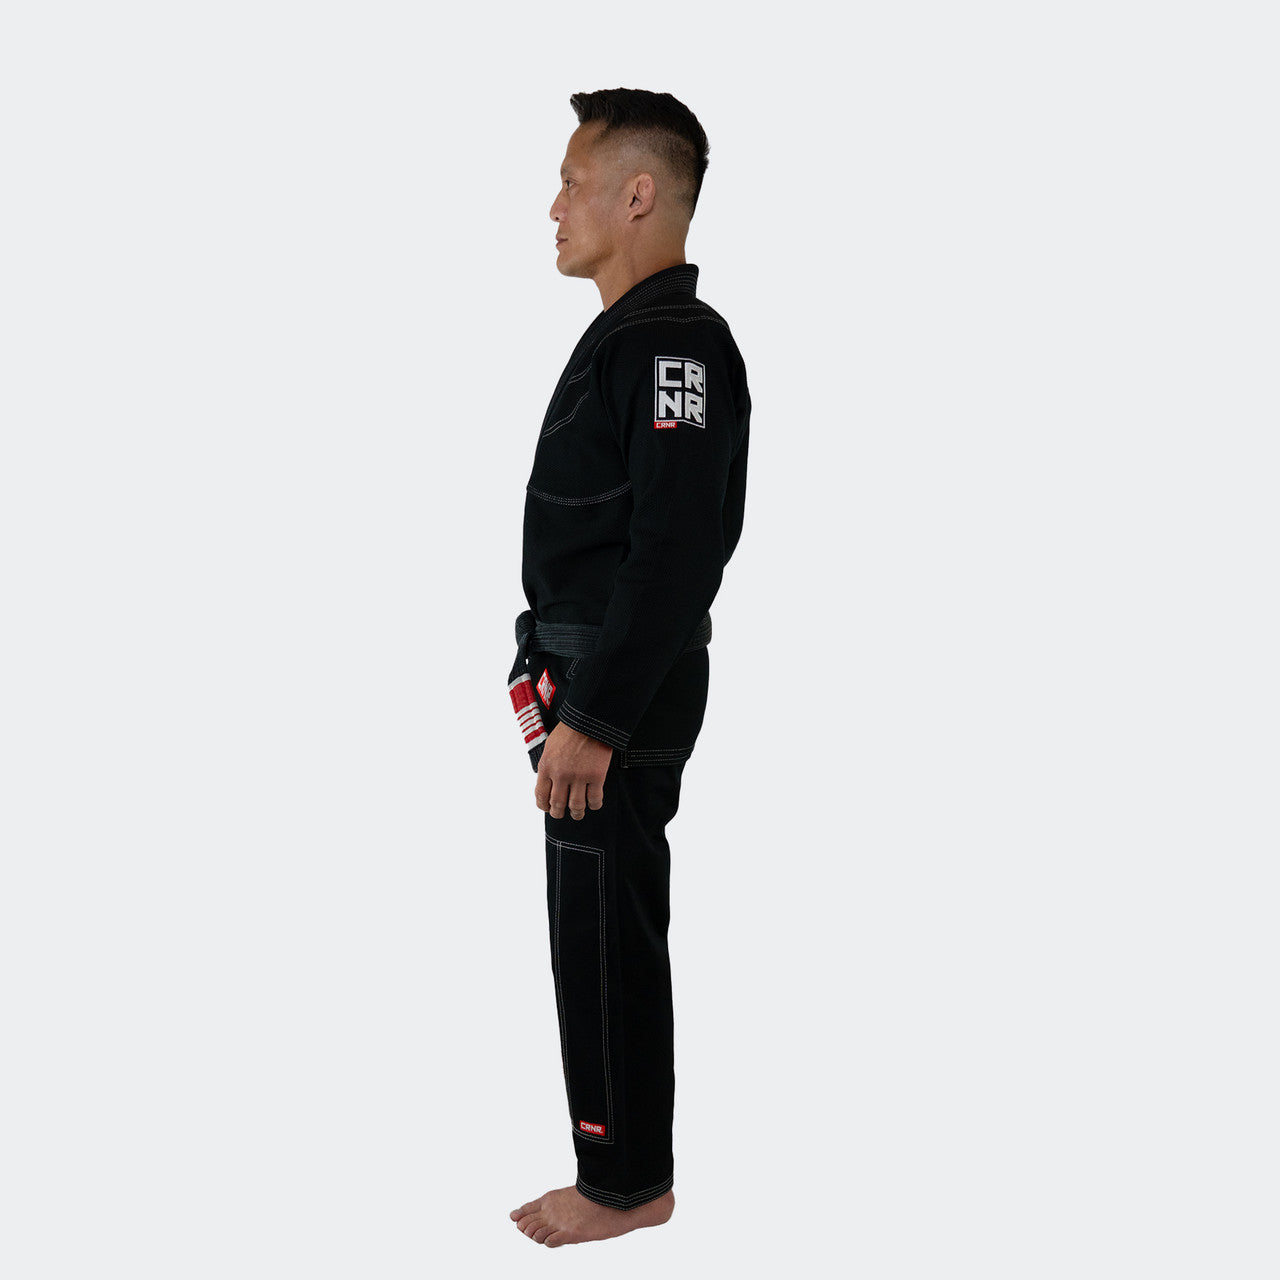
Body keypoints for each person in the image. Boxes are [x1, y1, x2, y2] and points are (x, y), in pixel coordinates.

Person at [506, 87, 750, 1248]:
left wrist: (595, 713)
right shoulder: (634, 338)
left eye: (572, 180)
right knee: (591, 922)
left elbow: (676, 546)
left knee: (603, 928)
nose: (553, 205)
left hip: (615, 686)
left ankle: (624, 1181)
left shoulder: (671, 345)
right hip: (592, 674)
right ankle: (621, 1166)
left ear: (638, 193)